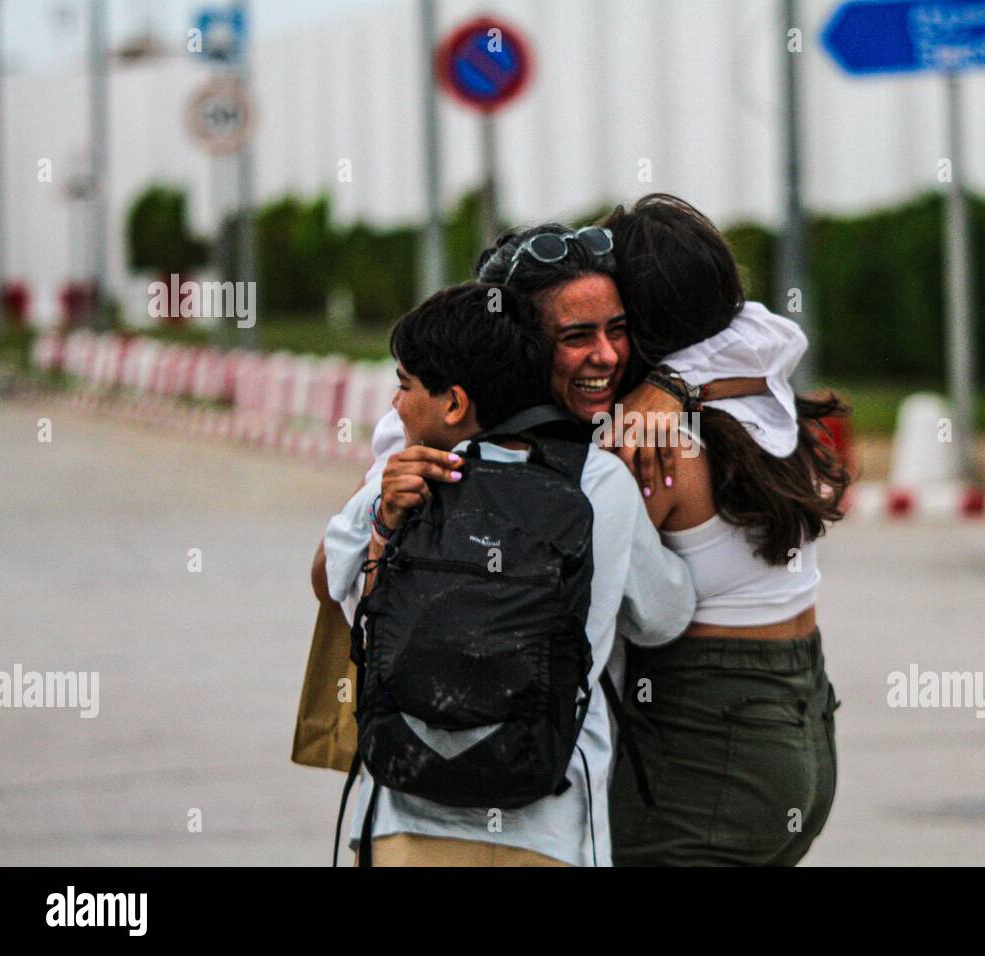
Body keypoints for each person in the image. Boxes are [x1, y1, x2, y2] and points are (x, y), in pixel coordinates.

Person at [332, 280, 696, 866]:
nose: (396, 406)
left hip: (405, 821)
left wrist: (382, 521)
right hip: (546, 828)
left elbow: (340, 591)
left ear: (453, 403)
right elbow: (663, 617)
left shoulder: (403, 479)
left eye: (403, 387)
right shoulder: (599, 483)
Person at [600, 194, 851, 866]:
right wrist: (677, 382)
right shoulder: (765, 397)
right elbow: (768, 328)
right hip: (799, 727)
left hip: (708, 745)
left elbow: (586, 593)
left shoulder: (652, 442)